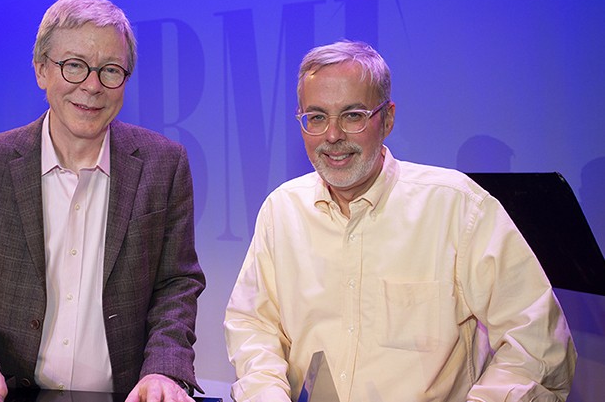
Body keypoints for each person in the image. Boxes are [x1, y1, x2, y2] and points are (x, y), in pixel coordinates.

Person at [223, 40, 577, 402]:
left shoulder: (457, 208)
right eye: (316, 117)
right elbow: (254, 324)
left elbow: (538, 343)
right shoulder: (282, 209)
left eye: (352, 115)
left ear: (387, 118)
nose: (332, 135)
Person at [0, 0, 206, 402]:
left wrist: (166, 369)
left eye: (111, 70)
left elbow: (176, 283)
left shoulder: (164, 163)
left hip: (128, 394)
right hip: (13, 392)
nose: (92, 86)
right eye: (74, 66)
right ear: (41, 70)